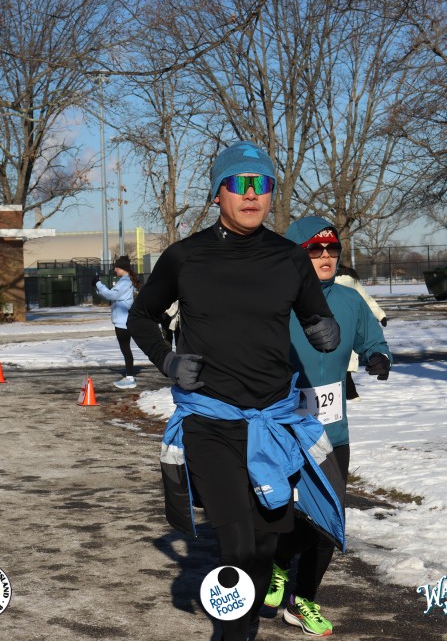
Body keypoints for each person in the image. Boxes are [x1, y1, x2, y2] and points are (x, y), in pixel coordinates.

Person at [127, 141, 344, 641]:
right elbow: (141, 316)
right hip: (211, 423)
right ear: (217, 194)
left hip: (273, 424)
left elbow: (316, 315)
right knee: (239, 545)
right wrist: (167, 359)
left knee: (267, 545)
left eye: (261, 184)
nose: (251, 194)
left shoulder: (289, 258)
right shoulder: (186, 257)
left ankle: (242, 626)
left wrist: (323, 329)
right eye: (239, 183)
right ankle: (233, 636)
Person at [264, 217, 392, 636]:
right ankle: (277, 562)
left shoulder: (350, 300)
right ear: (296, 255)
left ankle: (302, 601)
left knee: (329, 521)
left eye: (332, 249)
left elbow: (372, 338)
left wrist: (378, 357)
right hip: (283, 429)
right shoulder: (275, 303)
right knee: (283, 513)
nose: (325, 256)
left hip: (332, 434)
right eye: (315, 249)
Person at [334, 265, 387, 401]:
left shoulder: (328, 280)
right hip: (348, 322)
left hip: (335, 322)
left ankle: (349, 391)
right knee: (347, 354)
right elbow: (365, 299)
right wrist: (380, 314)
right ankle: (349, 392)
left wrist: (380, 315)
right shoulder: (352, 280)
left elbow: (363, 299)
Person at [94, 255, 140, 389]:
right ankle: (129, 376)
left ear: (123, 268)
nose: (115, 270)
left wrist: (98, 284)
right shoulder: (125, 281)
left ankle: (130, 378)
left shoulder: (125, 282)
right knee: (125, 349)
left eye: (116, 268)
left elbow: (111, 295)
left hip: (123, 322)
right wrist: (97, 287)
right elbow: (110, 295)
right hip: (123, 321)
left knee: (126, 349)